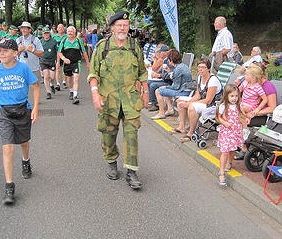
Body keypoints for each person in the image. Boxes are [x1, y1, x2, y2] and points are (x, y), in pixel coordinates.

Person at [88, 11, 148, 190]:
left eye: (126, 25)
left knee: (131, 135)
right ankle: (111, 160)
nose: (123, 28)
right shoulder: (102, 47)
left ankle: (131, 171)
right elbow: (93, 73)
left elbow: (142, 72)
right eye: (119, 25)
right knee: (108, 134)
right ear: (112, 27)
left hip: (130, 100)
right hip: (109, 100)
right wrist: (95, 94)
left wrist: (145, 92)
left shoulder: (134, 46)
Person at [0, 39, 40, 205]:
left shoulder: (24, 68)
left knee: (24, 143)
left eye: (5, 51)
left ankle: (26, 161)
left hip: (22, 109)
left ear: (14, 53)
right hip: (4, 111)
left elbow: (36, 86)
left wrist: (35, 109)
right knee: (7, 147)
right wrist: (0, 101)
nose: (1, 54)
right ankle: (9, 185)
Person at [175, 59, 222, 142]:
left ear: (208, 69)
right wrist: (188, 102)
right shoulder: (200, 77)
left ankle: (191, 132)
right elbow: (198, 94)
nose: (200, 69)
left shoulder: (213, 80)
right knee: (180, 102)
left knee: (192, 107)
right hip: (204, 101)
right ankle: (182, 127)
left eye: (203, 67)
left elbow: (208, 100)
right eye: (199, 67)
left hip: (214, 105)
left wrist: (190, 103)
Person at [216, 84, 246, 186]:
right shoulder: (223, 106)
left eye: (236, 96)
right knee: (224, 151)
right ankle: (221, 172)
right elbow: (218, 117)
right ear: (226, 96)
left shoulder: (239, 106)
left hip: (236, 132)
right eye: (232, 96)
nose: (234, 98)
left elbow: (241, 116)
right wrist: (224, 122)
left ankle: (229, 162)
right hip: (226, 131)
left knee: (232, 150)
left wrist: (245, 120)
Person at [151, 49, 193, 120]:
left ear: (171, 60)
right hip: (187, 89)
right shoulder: (182, 66)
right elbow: (175, 76)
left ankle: (161, 113)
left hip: (183, 91)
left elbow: (176, 87)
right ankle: (170, 109)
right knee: (165, 89)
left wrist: (167, 87)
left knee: (158, 91)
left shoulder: (178, 68)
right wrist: (169, 71)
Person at [57, 25, 89, 104]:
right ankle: (71, 91)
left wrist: (88, 63)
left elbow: (84, 52)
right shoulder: (64, 41)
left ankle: (75, 95)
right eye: (68, 31)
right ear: (66, 32)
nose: (70, 33)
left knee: (76, 78)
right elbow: (59, 52)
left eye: (71, 31)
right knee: (69, 79)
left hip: (76, 62)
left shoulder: (79, 41)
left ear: (75, 32)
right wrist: (64, 59)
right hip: (67, 63)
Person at [40, 27, 58, 99]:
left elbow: (57, 52)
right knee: (46, 76)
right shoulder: (40, 42)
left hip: (52, 61)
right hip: (43, 61)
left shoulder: (54, 41)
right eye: (45, 33)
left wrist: (58, 61)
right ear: (43, 34)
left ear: (49, 33)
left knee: (52, 77)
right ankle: (48, 92)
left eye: (47, 33)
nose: (46, 34)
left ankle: (51, 84)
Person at [52, 23, 68, 90]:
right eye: (59, 27)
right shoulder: (54, 36)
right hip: (57, 54)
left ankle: (64, 81)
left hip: (65, 54)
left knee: (65, 68)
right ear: (57, 29)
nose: (60, 28)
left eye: (62, 27)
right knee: (57, 68)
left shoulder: (66, 36)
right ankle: (58, 83)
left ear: (64, 29)